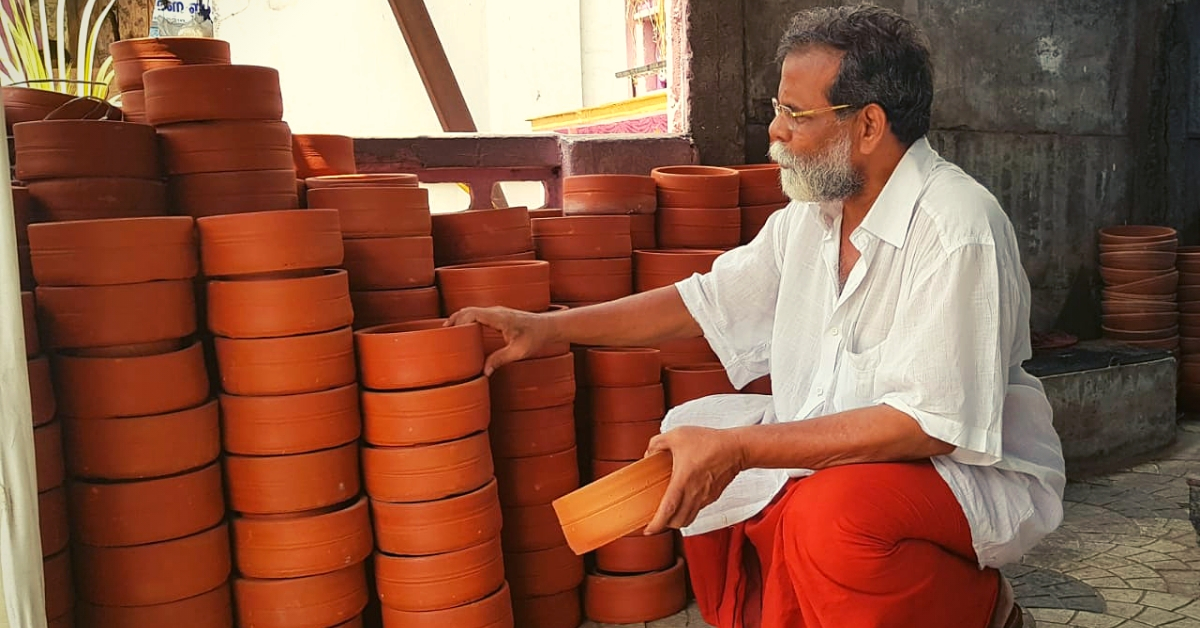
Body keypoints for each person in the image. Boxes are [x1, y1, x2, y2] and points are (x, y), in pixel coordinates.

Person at [447, 4, 1065, 627]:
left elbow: (931, 425)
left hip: (954, 472)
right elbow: (704, 301)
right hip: (856, 450)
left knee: (827, 515)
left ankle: (984, 611)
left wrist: (741, 449)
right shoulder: (813, 216)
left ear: (870, 125)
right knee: (693, 446)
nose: (774, 131)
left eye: (795, 114)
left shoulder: (957, 227)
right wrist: (548, 328)